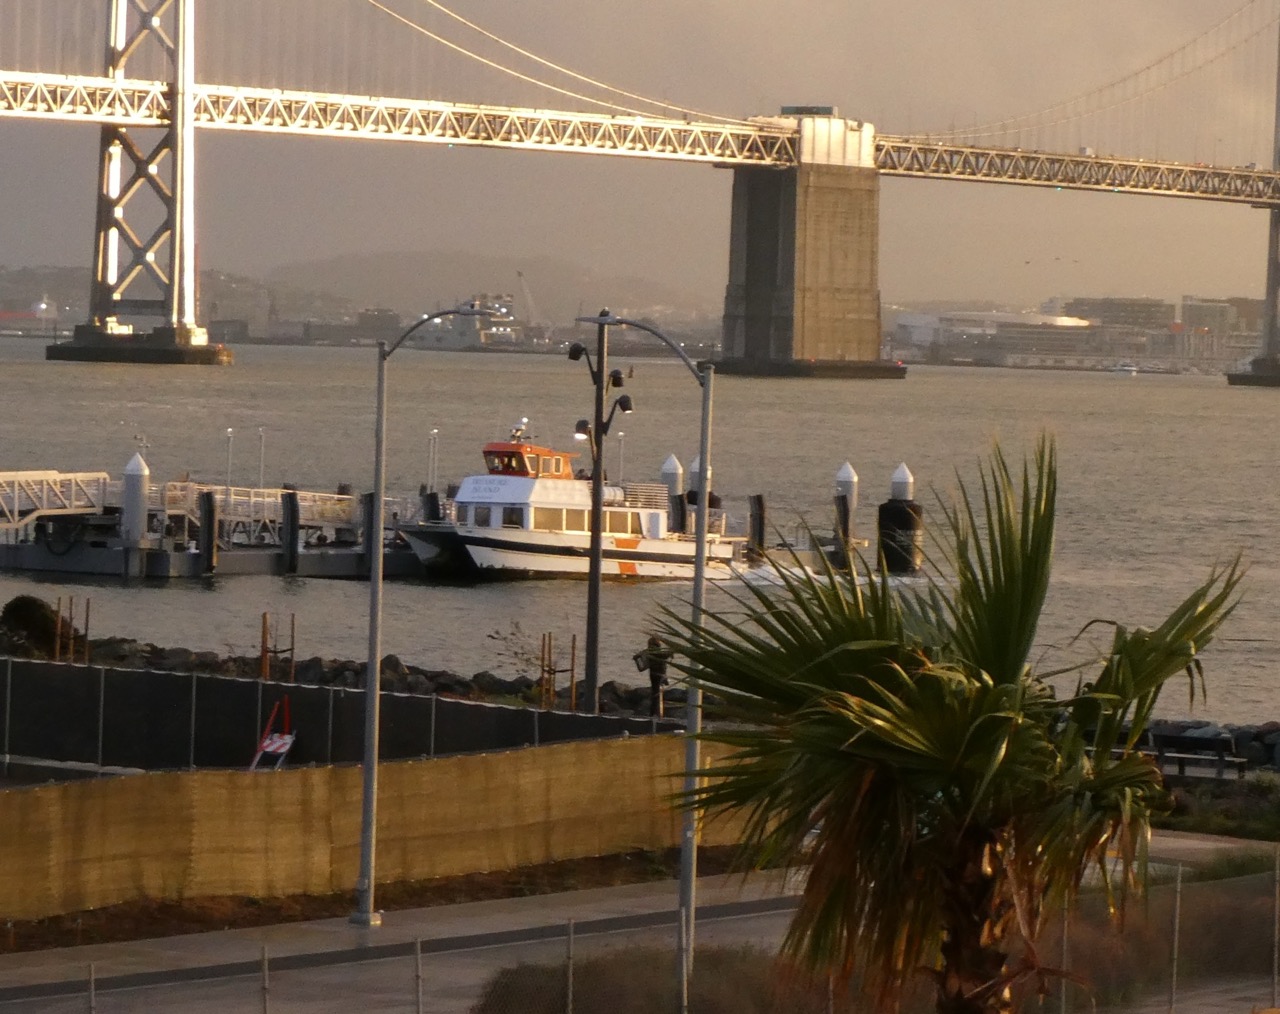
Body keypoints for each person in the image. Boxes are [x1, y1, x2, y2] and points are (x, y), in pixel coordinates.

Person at [637, 635, 671, 717]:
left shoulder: (648, 653)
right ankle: (657, 713)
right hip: (660, 676)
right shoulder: (659, 653)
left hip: (653, 675)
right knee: (657, 695)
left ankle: (653, 713)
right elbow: (668, 653)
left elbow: (642, 667)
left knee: (655, 694)